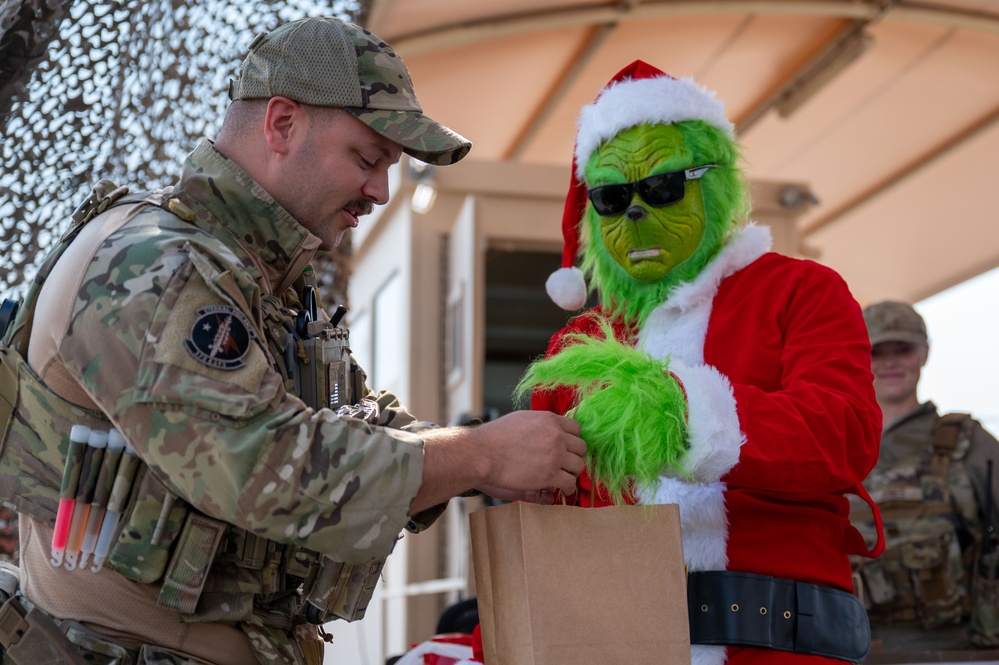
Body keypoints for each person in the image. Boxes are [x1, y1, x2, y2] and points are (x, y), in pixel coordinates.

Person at [0, 16, 586, 665]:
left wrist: (511, 457)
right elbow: (260, 465)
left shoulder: (261, 284)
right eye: (367, 159)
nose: (379, 191)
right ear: (281, 124)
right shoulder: (153, 266)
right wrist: (479, 456)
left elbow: (358, 423)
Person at [518, 60, 884, 664]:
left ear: (713, 183)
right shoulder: (578, 348)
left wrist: (689, 413)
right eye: (610, 197)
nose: (635, 211)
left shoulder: (802, 291)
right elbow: (547, 522)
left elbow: (845, 432)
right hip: (618, 645)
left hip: (780, 644)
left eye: (662, 186)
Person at [851, 300, 999, 652]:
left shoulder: (964, 440)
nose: (889, 362)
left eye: (902, 349)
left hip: (951, 647)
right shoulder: (839, 444)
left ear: (924, 353)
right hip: (852, 646)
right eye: (876, 351)